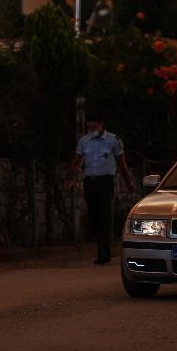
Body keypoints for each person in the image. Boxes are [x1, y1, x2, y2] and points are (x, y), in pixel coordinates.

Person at [68, 112, 134, 265]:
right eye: (89, 126)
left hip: (105, 182)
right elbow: (76, 161)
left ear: (102, 125)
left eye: (94, 126)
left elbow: (122, 165)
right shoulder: (84, 141)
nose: (91, 129)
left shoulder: (113, 141)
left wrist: (128, 182)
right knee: (94, 216)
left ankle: (104, 253)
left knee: (104, 215)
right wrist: (69, 178)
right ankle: (101, 248)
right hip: (89, 182)